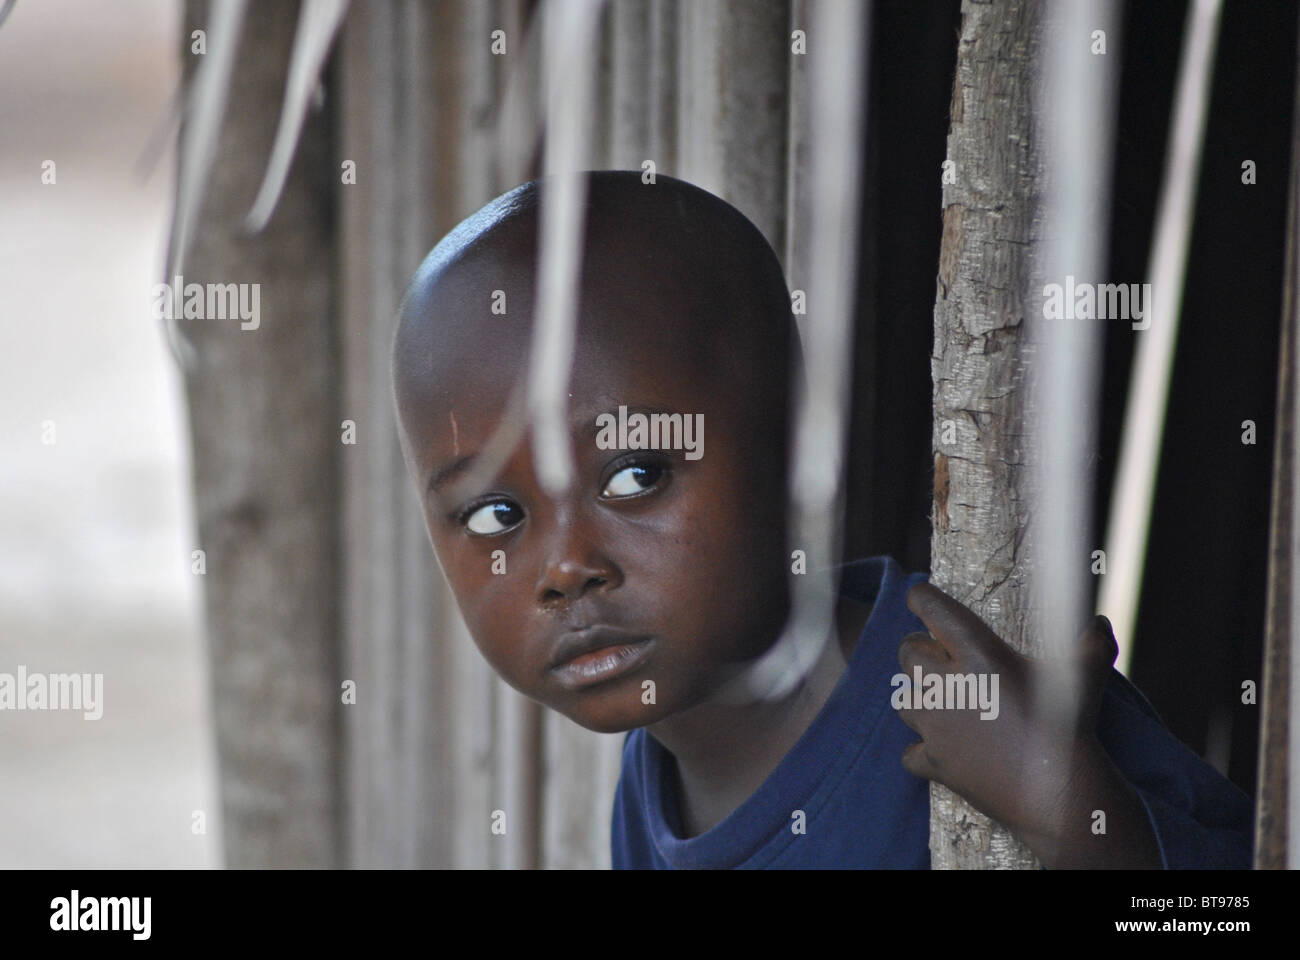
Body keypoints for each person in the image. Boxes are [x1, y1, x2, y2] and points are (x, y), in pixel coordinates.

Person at [390, 170, 1253, 869]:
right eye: (498, 513)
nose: (566, 564)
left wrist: (1068, 810)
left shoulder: (969, 692)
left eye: (638, 473)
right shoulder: (653, 779)